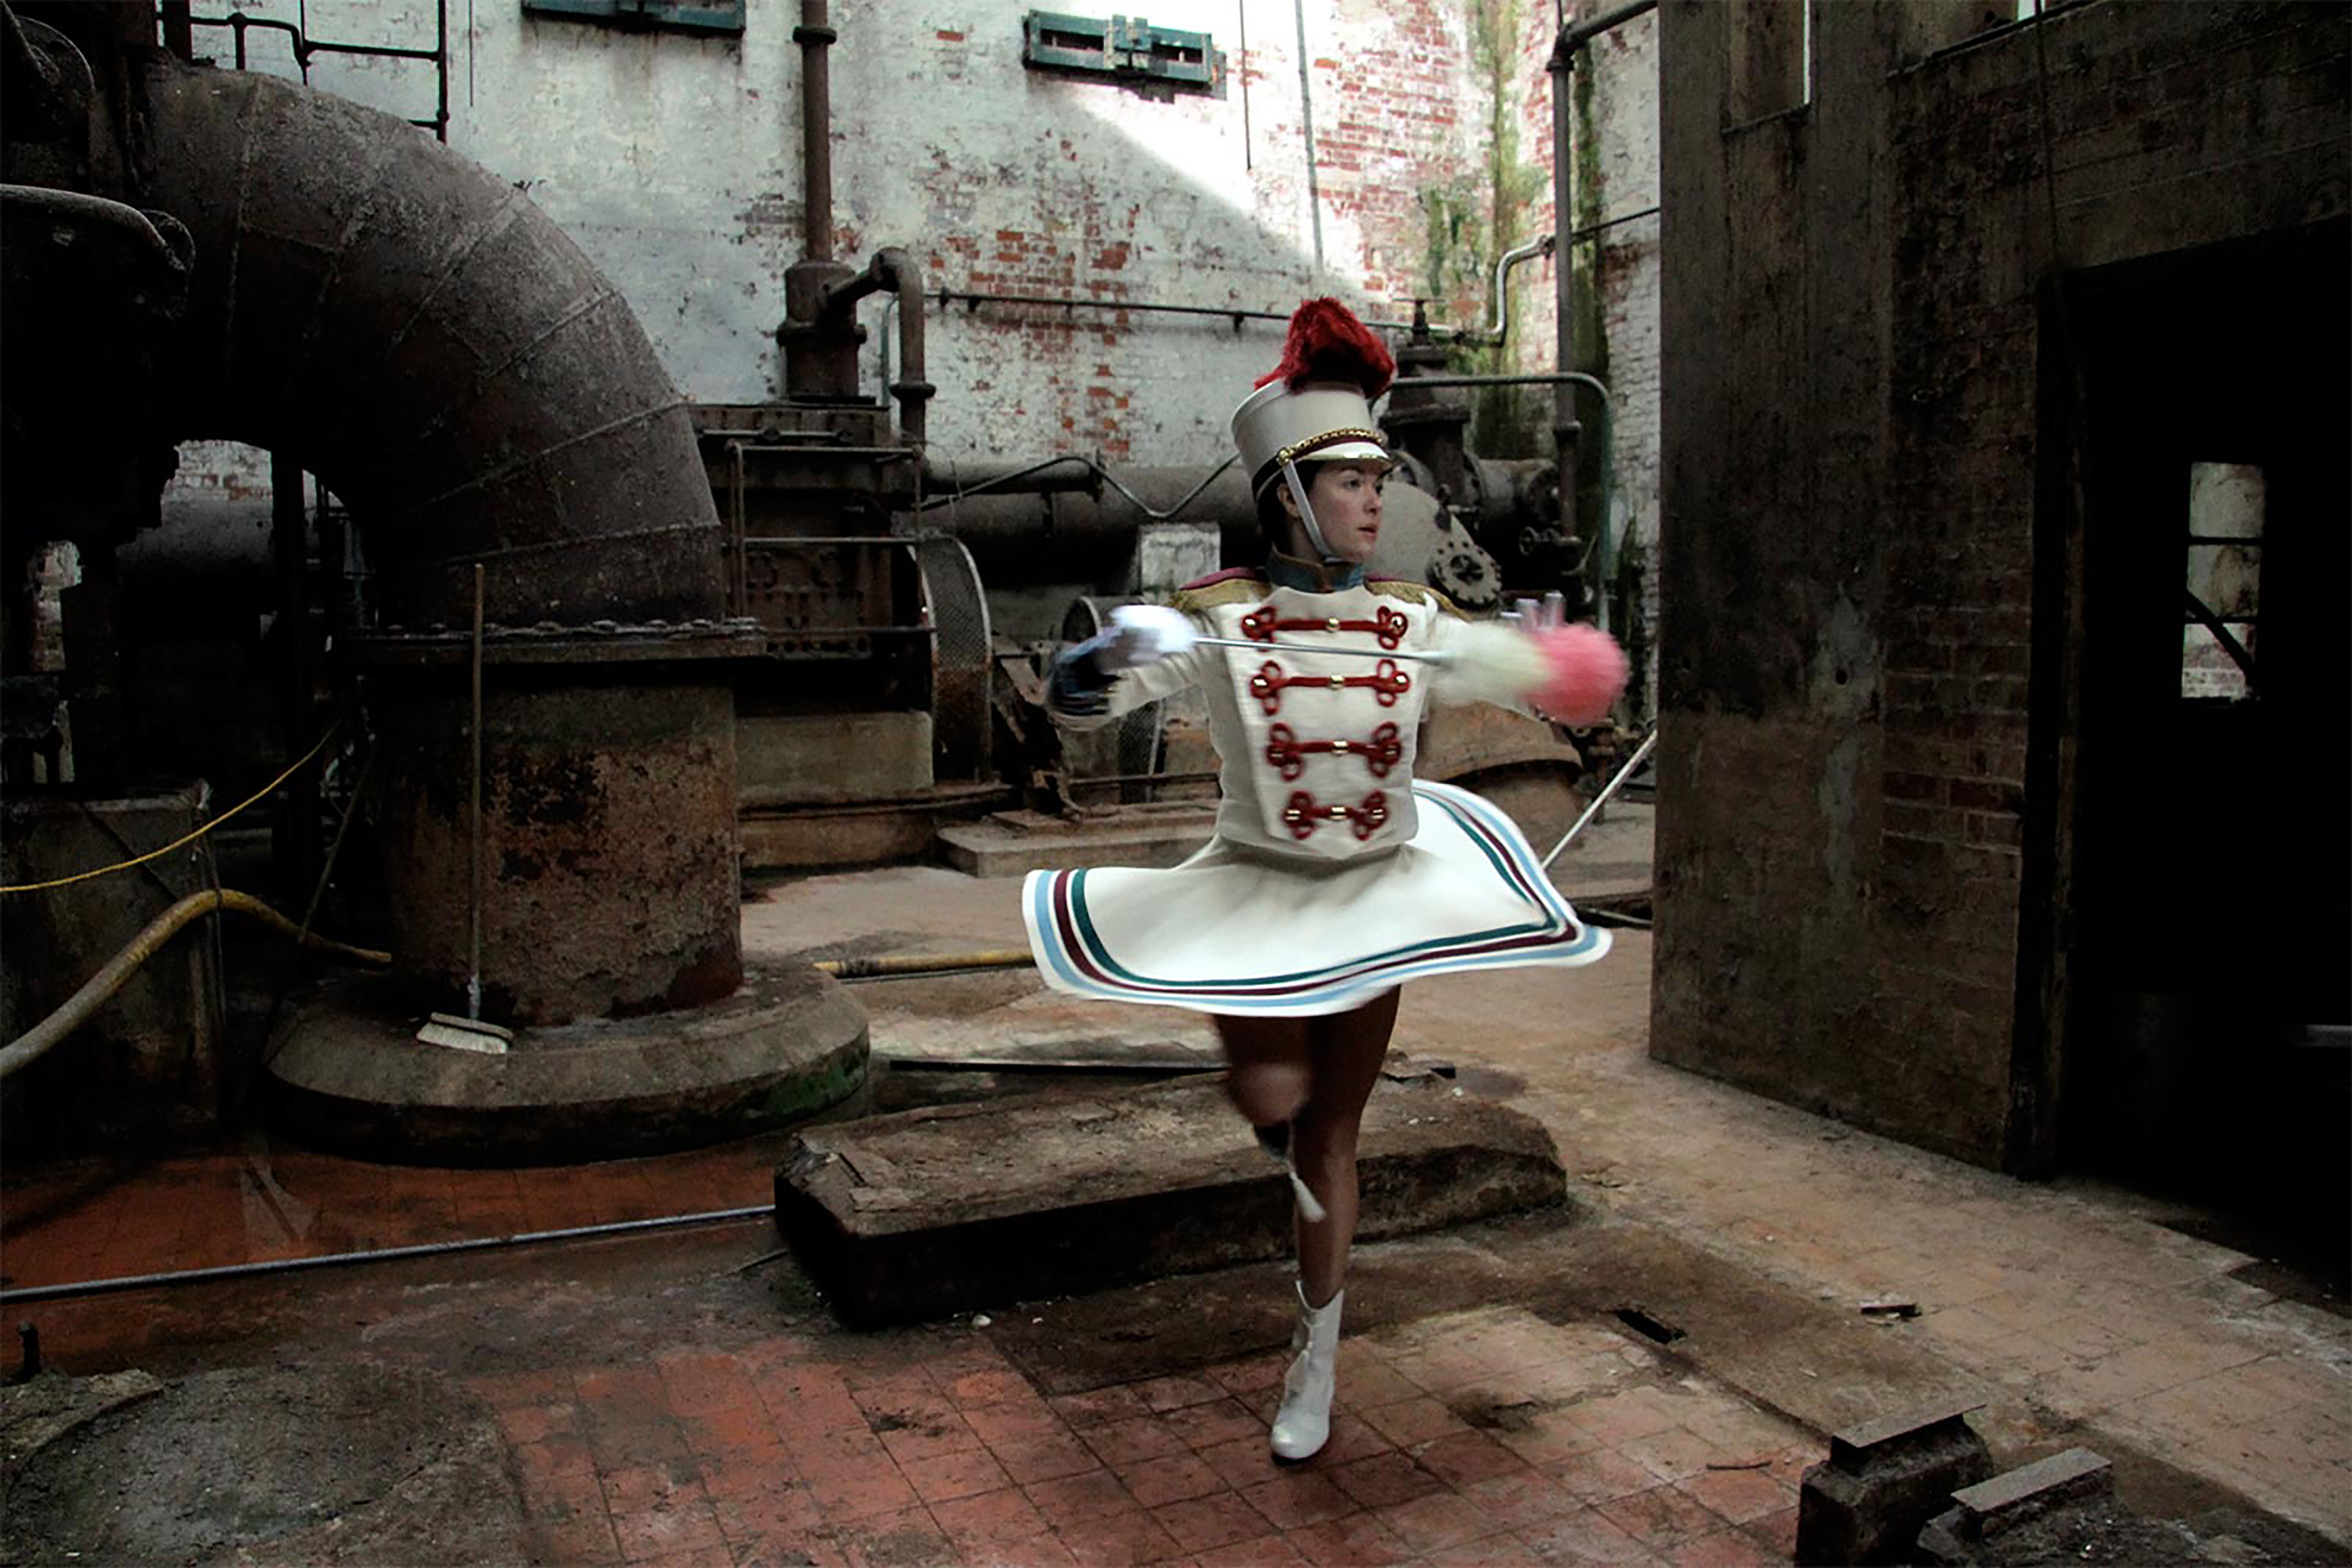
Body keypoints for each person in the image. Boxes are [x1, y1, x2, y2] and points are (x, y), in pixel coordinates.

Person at [1023, 297, 1625, 1462]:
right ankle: (1267, 1100)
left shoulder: (1412, 617)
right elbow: (1089, 690)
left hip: (1372, 900)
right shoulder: (1218, 618)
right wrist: (1091, 666)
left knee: (1329, 1135)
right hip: (1251, 897)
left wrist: (1554, 665)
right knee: (1270, 1095)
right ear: (1288, 494)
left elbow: (1526, 671)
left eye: (1378, 479)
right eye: (1348, 480)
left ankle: (1316, 1351)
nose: (1372, 500)